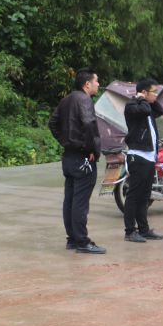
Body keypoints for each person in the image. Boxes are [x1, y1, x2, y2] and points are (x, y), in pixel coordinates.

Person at [48, 67, 106, 254]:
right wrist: (88, 147)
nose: (98, 84)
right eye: (96, 81)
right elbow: (89, 123)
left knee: (71, 200)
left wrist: (67, 141)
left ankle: (72, 239)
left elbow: (52, 123)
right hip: (83, 158)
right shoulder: (85, 99)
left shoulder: (67, 99)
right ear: (87, 83)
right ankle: (82, 242)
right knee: (80, 202)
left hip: (69, 157)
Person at [123, 78, 163, 243]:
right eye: (154, 91)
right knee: (133, 196)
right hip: (138, 156)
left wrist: (149, 98)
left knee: (144, 196)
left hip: (149, 157)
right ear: (143, 92)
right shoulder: (133, 105)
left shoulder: (147, 107)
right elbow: (144, 110)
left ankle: (144, 229)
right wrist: (141, 98)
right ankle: (129, 231)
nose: (156, 94)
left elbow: (160, 110)